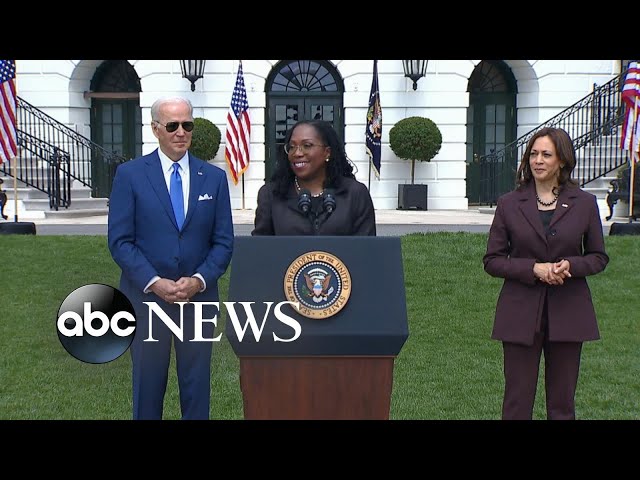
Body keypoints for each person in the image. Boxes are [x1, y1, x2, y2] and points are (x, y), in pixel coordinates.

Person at [108, 96, 234, 420]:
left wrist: (198, 281)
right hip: (146, 301)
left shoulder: (214, 178)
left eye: (187, 125)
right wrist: (154, 282)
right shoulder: (130, 175)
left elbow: (223, 242)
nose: (181, 132)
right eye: (172, 125)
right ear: (155, 129)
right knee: (147, 387)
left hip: (198, 300)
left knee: (197, 387)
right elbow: (120, 241)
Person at [483, 127, 609, 420]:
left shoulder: (584, 204)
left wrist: (571, 266)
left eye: (546, 155)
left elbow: (598, 257)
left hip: (569, 311)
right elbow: (492, 260)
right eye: (533, 154)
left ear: (561, 160)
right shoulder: (509, 203)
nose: (537, 161)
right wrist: (533, 268)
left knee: (562, 404)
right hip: (520, 312)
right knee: (516, 403)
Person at [252, 120, 376, 235]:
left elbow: (366, 247)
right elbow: (260, 246)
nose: (297, 153)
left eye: (307, 145)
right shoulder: (271, 194)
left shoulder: (354, 194)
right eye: (292, 147)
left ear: (327, 152)